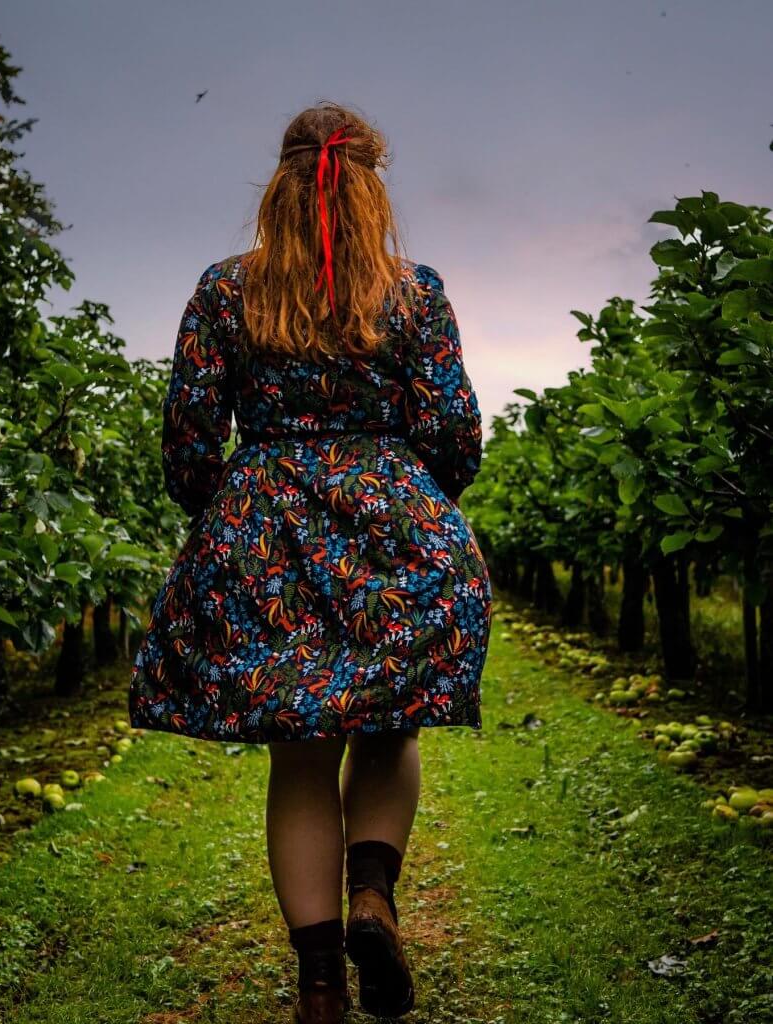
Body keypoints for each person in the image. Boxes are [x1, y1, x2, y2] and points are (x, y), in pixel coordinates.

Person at [129, 100, 493, 1023]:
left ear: (280, 182)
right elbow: (453, 431)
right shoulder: (412, 292)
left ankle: (320, 986)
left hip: (267, 532)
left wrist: (231, 512)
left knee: (298, 761)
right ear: (370, 185)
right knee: (389, 726)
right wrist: (411, 494)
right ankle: (373, 891)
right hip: (393, 520)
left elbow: (187, 438)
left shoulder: (225, 291)